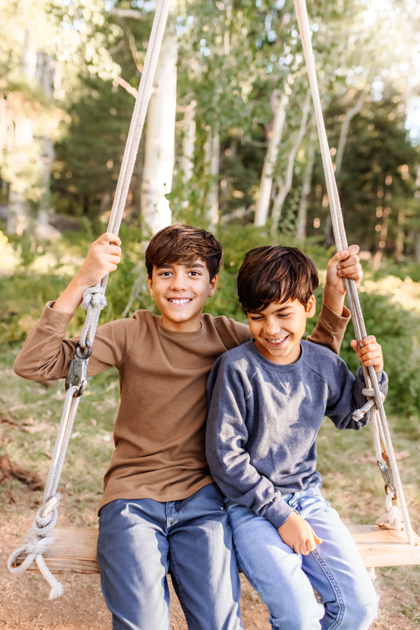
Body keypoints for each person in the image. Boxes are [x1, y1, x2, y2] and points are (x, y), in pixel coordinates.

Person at [14, 225, 361, 630]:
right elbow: (34, 364)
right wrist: (84, 279)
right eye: (166, 273)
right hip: (133, 500)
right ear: (150, 282)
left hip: (204, 502)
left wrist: (334, 296)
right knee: (144, 623)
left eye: (193, 273)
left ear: (212, 284)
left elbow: (304, 362)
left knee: (220, 623)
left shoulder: (231, 339)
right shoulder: (129, 334)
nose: (179, 285)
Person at [206, 244, 388, 630]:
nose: (271, 329)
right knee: (300, 617)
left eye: (283, 314)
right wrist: (281, 515)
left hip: (308, 499)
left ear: (308, 307)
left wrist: (371, 377)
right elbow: (225, 457)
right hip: (249, 507)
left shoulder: (322, 363)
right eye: (258, 317)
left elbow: (352, 417)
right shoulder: (236, 368)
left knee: (360, 608)